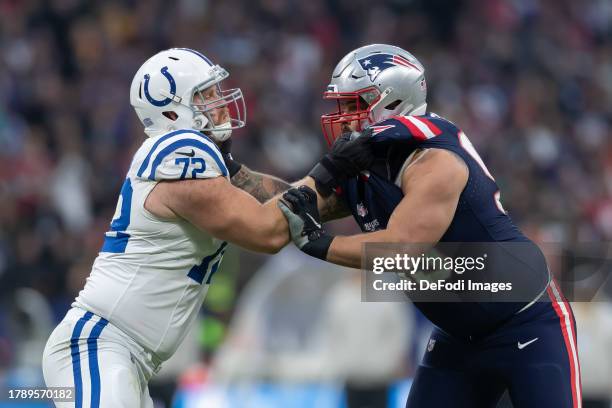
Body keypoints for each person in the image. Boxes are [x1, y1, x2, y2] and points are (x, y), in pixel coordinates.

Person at [227, 44, 581, 407]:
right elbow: (292, 204)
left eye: (354, 105)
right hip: (457, 337)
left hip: (525, 321)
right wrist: (233, 172)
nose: (344, 117)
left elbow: (401, 247)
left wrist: (318, 243)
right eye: (342, 105)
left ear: (393, 101)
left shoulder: (434, 160)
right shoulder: (363, 167)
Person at [41, 48, 372, 408]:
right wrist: (329, 169)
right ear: (171, 110)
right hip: (101, 344)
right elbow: (268, 231)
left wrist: (362, 196)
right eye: (206, 95)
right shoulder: (180, 151)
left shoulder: (198, 160)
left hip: (128, 356)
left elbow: (283, 199)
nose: (221, 102)